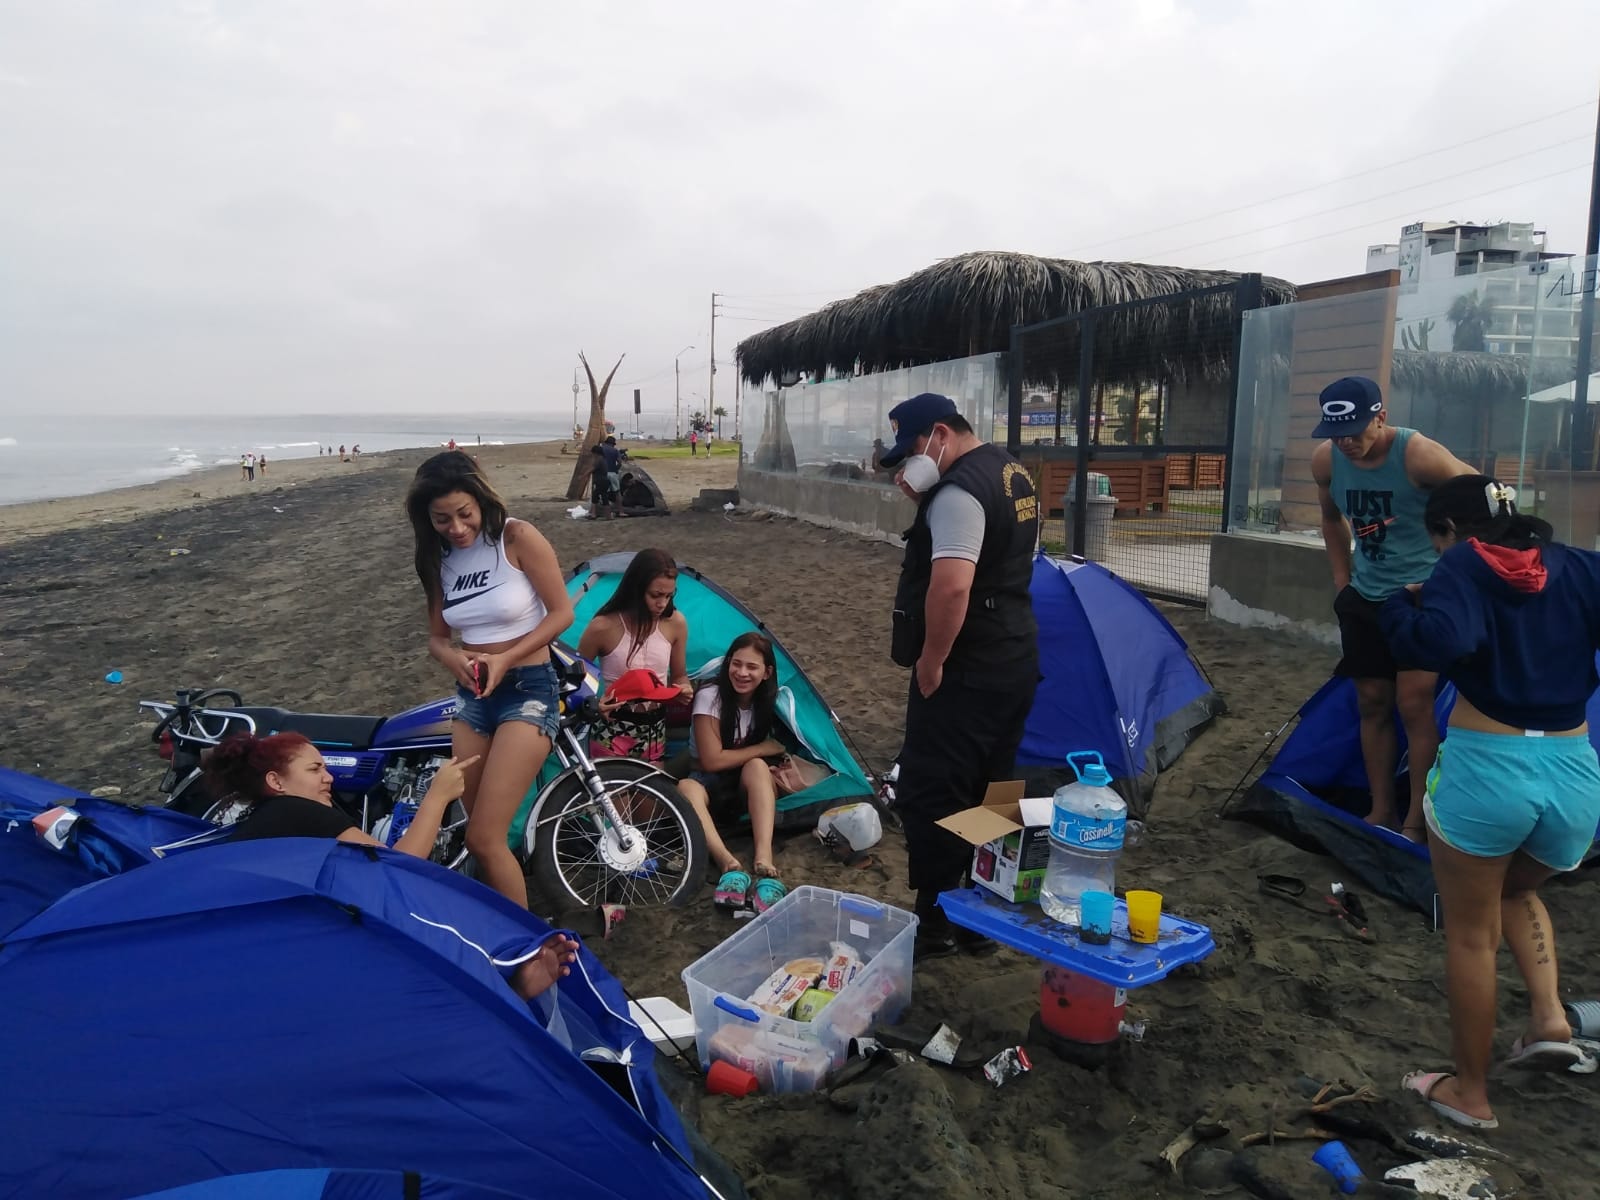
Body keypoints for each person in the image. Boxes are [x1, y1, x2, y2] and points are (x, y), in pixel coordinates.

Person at [1381, 475, 1600, 1128]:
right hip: (1573, 773)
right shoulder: (1582, 567)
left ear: (1449, 532)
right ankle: (1550, 1019)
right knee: (1514, 889)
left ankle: (1469, 1094)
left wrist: (1400, 603)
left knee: (1471, 936)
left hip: (1489, 771)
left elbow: (1436, 643)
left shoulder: (1459, 567)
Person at [203, 729, 578, 1000]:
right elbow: (397, 866)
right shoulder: (293, 811)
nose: (329, 776)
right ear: (276, 781)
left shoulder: (271, 818)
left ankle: (503, 988)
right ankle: (505, 987)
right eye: (315, 769)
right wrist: (438, 795)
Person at [878, 392, 1040, 961]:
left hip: (968, 662)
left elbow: (952, 585)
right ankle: (984, 911)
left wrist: (932, 659)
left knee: (935, 787)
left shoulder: (958, 493)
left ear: (941, 434)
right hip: (1015, 652)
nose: (907, 463)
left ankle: (938, 917)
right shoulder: (1010, 469)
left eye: (913, 449)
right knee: (995, 786)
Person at [407, 450, 576, 909]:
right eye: (442, 520)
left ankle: (528, 949)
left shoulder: (516, 537)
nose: (457, 528)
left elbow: (562, 613)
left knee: (485, 836)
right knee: (474, 827)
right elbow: (437, 639)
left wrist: (505, 660)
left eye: (464, 514)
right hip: (474, 696)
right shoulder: (436, 558)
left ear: (481, 499)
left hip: (529, 691)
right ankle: (499, 922)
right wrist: (455, 658)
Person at [1311, 376, 1473, 839]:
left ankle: (1415, 822)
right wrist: (1343, 582)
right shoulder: (1327, 461)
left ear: (1381, 418)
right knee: (1372, 702)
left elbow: (1486, 501)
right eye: (1335, 431)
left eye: (1356, 430)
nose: (1345, 441)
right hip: (1366, 597)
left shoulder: (1418, 455)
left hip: (1421, 600)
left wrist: (1451, 576)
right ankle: (1380, 810)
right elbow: (1330, 518)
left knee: (1414, 706)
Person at [678, 632, 789, 914]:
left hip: (741, 788)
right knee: (686, 788)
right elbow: (711, 761)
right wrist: (763, 747)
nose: (741, 673)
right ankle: (727, 861)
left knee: (756, 767)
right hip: (707, 784)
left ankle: (764, 855)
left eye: (752, 667)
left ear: (767, 673)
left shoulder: (768, 701)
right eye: (736, 664)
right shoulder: (710, 695)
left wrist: (763, 756)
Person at [576, 548, 692, 761]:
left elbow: (679, 675)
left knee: (653, 792)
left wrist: (683, 688)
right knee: (613, 793)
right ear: (636, 589)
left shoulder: (676, 624)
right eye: (656, 595)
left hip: (655, 731)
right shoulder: (603, 627)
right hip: (612, 729)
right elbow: (576, 677)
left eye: (669, 595)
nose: (662, 604)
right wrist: (593, 703)